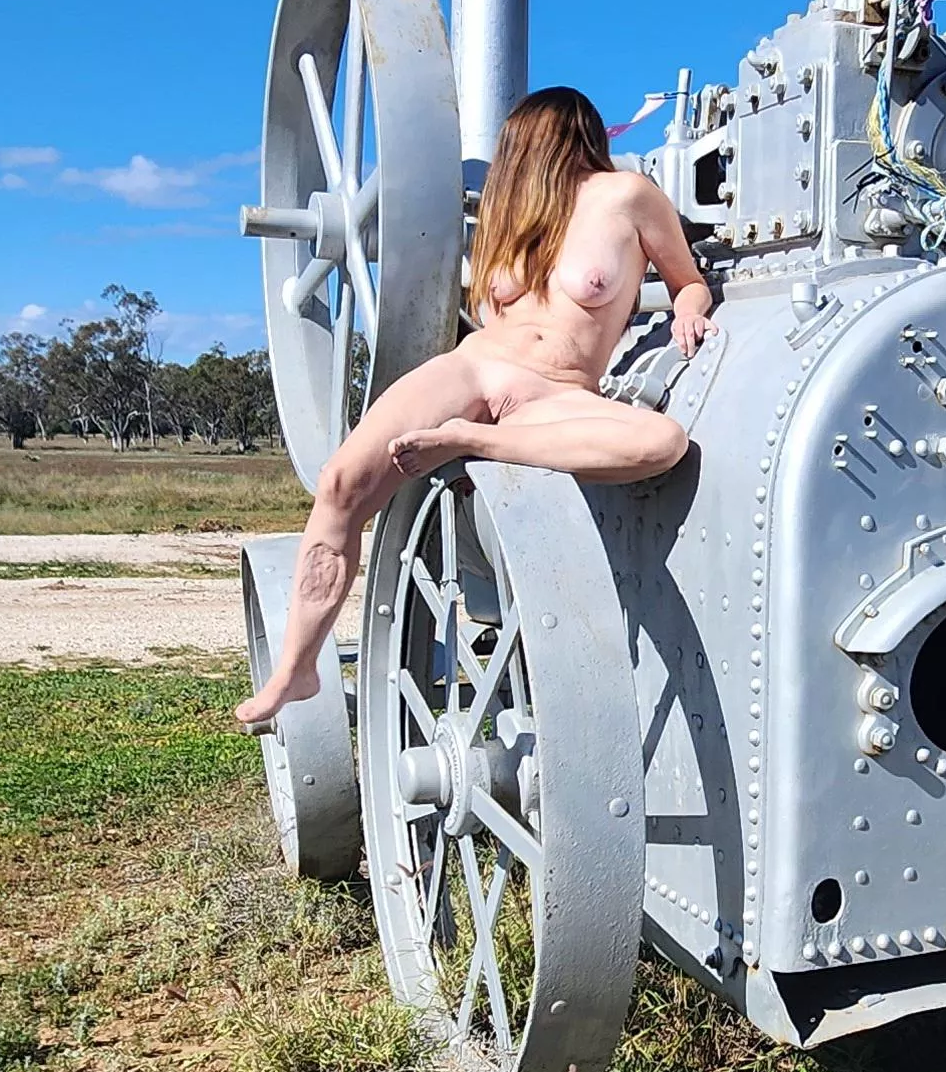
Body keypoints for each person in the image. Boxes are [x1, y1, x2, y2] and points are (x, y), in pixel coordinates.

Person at [237, 85, 713, 729]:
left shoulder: (626, 196)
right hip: (475, 365)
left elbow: (688, 282)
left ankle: (473, 441)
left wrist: (688, 310)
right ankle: (298, 666)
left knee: (662, 442)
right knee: (341, 481)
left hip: (559, 390)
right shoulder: (508, 215)